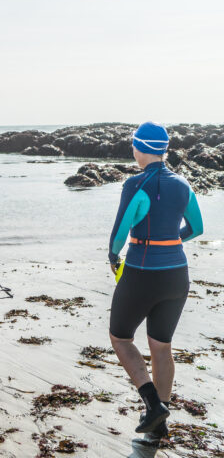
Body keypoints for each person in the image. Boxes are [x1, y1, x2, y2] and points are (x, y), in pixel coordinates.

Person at [107, 122, 204, 438]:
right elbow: (196, 228)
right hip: (177, 275)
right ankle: (158, 424)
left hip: (141, 273)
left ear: (139, 148)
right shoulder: (183, 184)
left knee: (121, 338)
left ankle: (152, 404)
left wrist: (113, 259)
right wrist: (169, 240)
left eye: (133, 146)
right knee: (161, 347)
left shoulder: (136, 184)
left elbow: (118, 235)